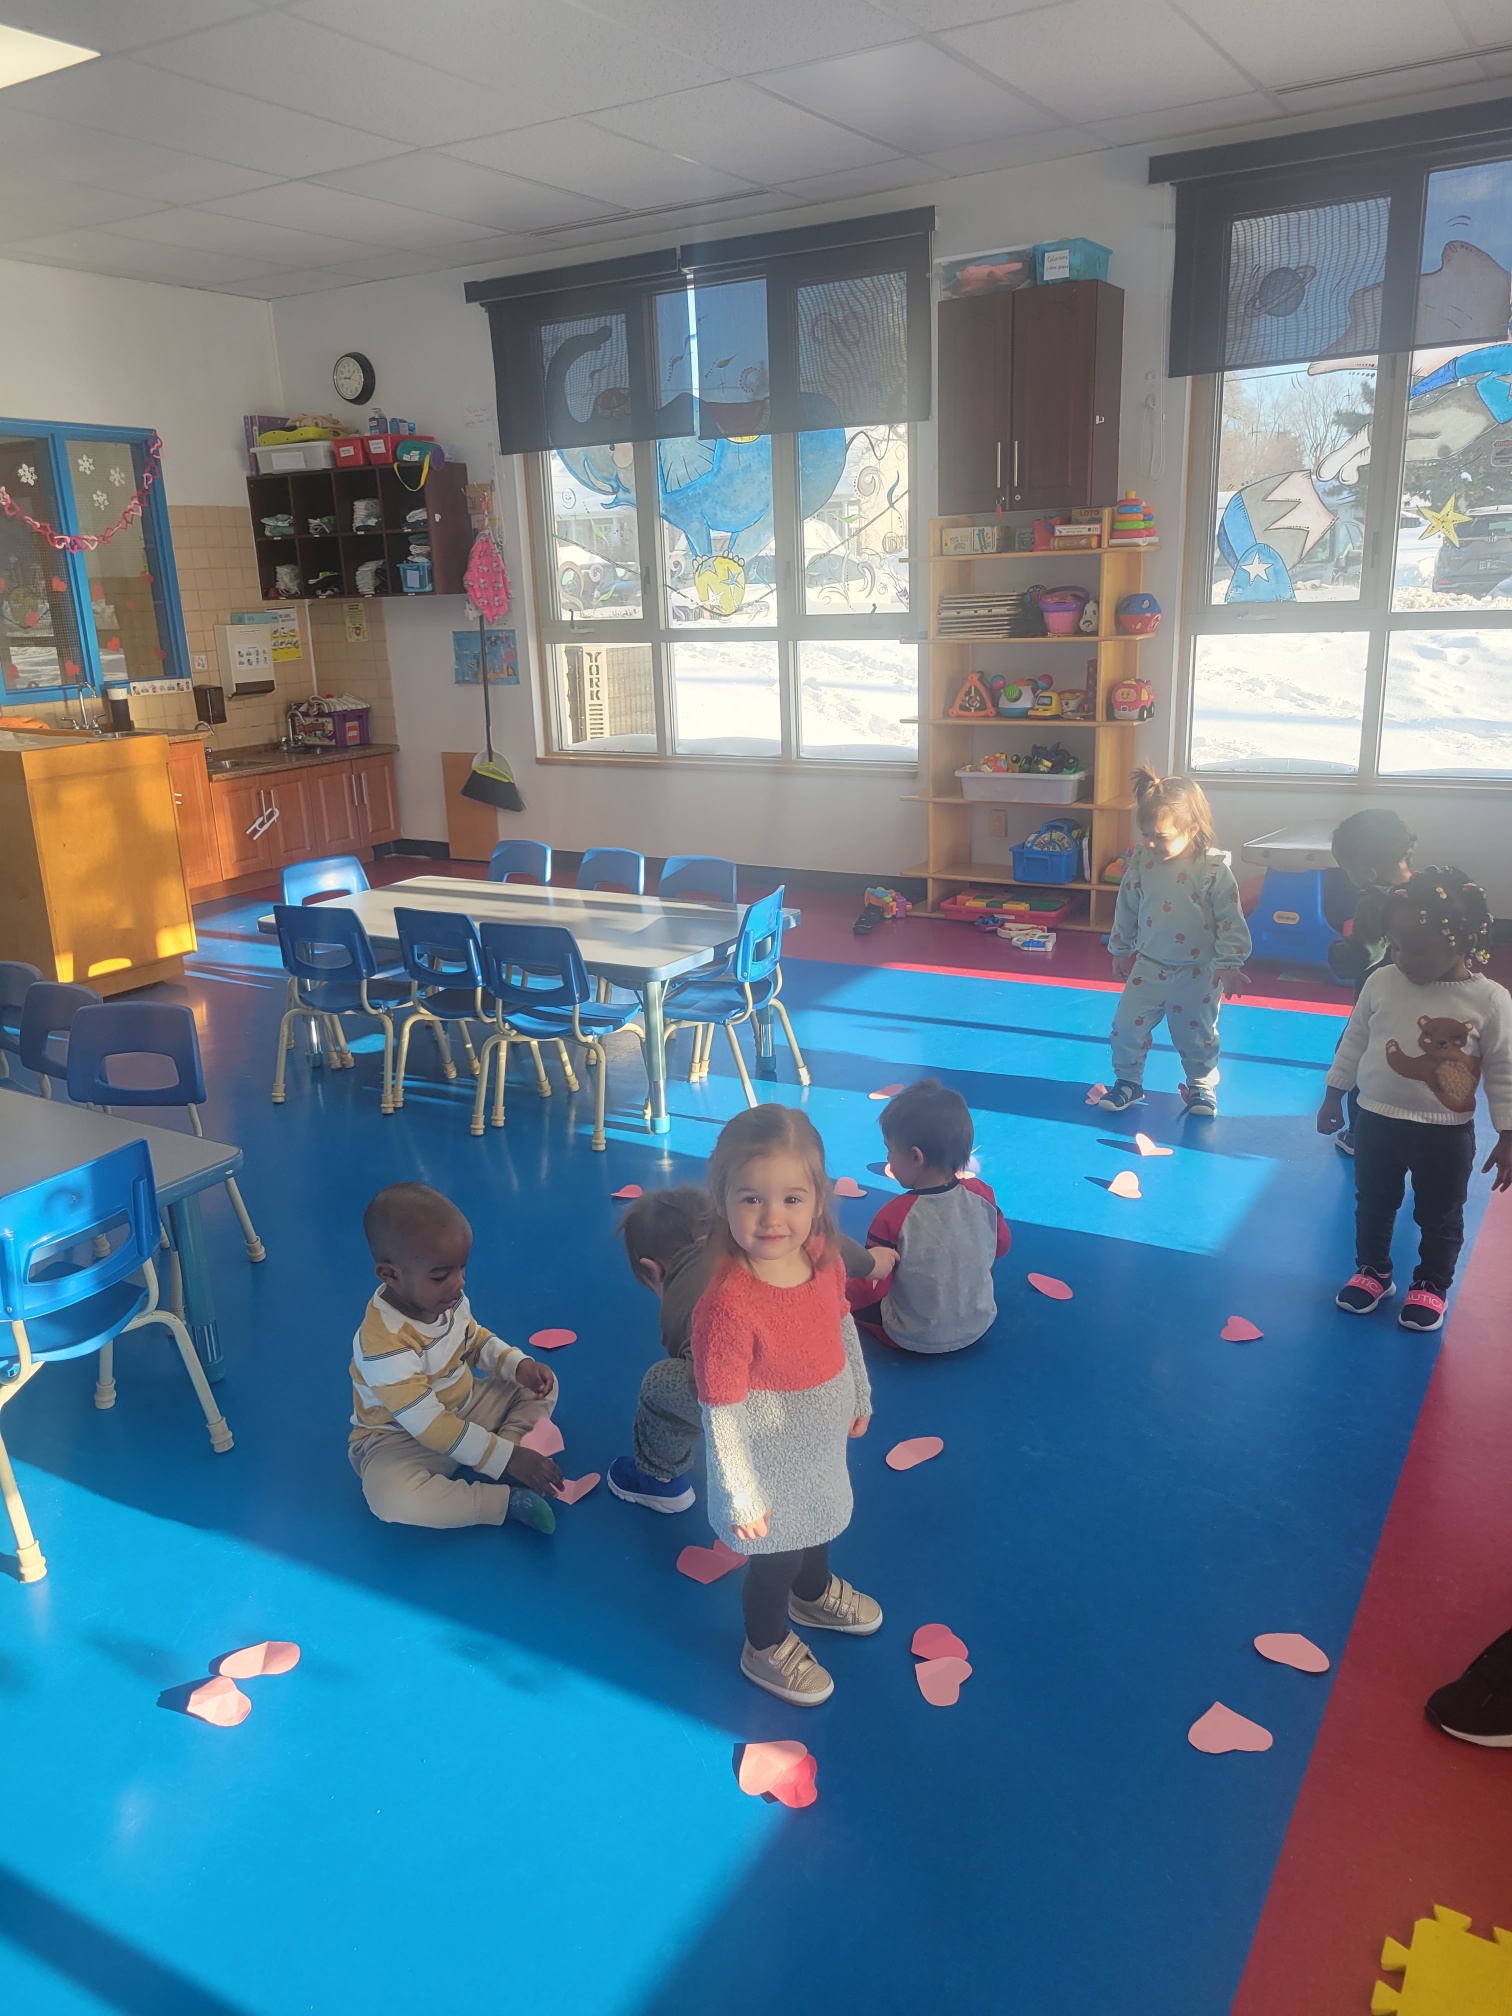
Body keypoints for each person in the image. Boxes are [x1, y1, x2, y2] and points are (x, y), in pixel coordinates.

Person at [691, 1105, 880, 1706]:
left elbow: (842, 1322)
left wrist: (859, 1388)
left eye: (792, 1199)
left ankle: (813, 1591)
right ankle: (765, 1643)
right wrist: (741, 1492)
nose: (773, 1218)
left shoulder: (822, 1255)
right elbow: (721, 1410)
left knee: (820, 1519)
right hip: (765, 1461)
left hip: (818, 1442)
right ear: (722, 1200)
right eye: (752, 1199)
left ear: (818, 1199)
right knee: (776, 1556)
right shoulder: (728, 1306)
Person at [607, 1189, 893, 1514]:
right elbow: (831, 1244)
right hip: (830, 1394)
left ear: (654, 1270)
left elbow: (704, 1378)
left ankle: (659, 1479)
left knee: (660, 1388)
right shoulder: (773, 1237)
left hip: (764, 1418)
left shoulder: (679, 1301)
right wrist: (873, 1264)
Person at [1317, 869, 1512, 1331]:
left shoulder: (1489, 1000)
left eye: (1415, 948)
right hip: (1375, 1122)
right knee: (1373, 1203)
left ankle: (1431, 1283)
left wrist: (1507, 1133)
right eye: (1394, 945)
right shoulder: (1382, 981)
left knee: (1440, 1213)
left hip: (1445, 1134)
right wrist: (1333, 1094)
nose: (1401, 958)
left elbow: (1504, 1070)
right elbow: (1354, 1040)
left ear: (1462, 943)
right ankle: (1373, 1271)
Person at [349, 1183, 563, 1532]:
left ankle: (505, 1448)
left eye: (462, 1269)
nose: (459, 1283)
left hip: (464, 1407)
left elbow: (474, 1341)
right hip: (399, 1438)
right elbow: (429, 1425)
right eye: (441, 1275)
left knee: (542, 1384)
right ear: (390, 1274)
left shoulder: (447, 1299)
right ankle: (503, 1501)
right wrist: (507, 1459)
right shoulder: (384, 1345)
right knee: (389, 1497)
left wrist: (518, 1366)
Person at [1101, 767, 1252, 1118]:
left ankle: (1200, 1085)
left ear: (1192, 830)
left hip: (1199, 973)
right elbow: (1127, 906)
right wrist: (1121, 949)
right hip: (1149, 965)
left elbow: (1230, 919)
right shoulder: (1142, 863)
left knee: (1196, 1034)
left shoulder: (1212, 869)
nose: (1151, 843)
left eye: (1161, 836)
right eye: (1146, 835)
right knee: (1126, 1027)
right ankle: (1129, 1082)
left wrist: (1230, 963)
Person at [847, 1079, 1010, 1354]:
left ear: (915, 1157)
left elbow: (870, 1284)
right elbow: (1002, 1246)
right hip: (979, 1323)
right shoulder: (982, 1194)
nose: (887, 1157)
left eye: (889, 1149)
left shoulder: (893, 1216)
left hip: (912, 1338)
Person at [1326, 809, 1417, 1156]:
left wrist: (1336, 952)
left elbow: (1363, 954)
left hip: (1378, 1001)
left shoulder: (1375, 901)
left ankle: (1359, 1134)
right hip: (1421, 1001)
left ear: (1368, 872)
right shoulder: (1425, 891)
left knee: (1356, 1061)